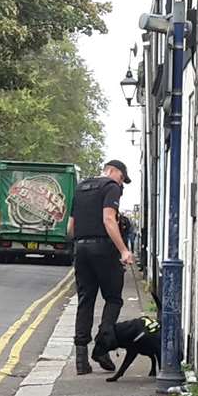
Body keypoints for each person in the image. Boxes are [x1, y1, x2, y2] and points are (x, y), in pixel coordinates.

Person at [68, 160, 135, 375]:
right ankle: (101, 346)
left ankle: (81, 360)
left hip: (80, 248)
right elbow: (108, 219)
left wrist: (81, 245)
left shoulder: (80, 188)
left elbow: (71, 227)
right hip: (104, 249)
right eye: (122, 179)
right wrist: (124, 250)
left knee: (85, 300)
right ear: (113, 172)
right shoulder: (110, 186)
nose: (121, 185)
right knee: (113, 298)